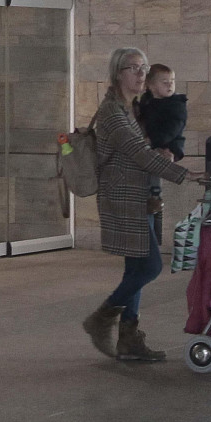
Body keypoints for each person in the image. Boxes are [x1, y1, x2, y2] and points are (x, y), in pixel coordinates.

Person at [82, 47, 190, 362]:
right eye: (133, 68)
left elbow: (160, 141)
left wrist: (174, 153)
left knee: (137, 267)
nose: (141, 74)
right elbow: (139, 154)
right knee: (152, 265)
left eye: (143, 68)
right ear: (117, 73)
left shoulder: (135, 108)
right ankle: (101, 318)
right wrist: (186, 175)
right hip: (123, 199)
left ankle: (129, 339)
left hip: (142, 197)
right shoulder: (112, 112)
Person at [135, 63, 187, 244]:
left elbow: (173, 129)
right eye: (164, 82)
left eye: (172, 81)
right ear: (150, 85)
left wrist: (153, 141)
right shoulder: (146, 101)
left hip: (168, 146)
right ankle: (149, 237)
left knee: (154, 193)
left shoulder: (176, 105)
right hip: (149, 149)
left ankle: (154, 239)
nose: (170, 85)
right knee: (148, 191)